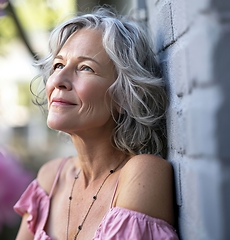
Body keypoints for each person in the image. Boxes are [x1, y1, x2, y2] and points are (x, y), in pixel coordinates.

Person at [14, 7, 179, 240]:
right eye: (59, 65)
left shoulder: (141, 173)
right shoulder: (49, 180)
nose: (58, 80)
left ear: (124, 96)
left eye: (85, 68)